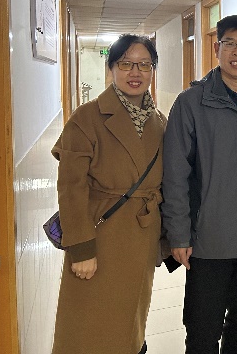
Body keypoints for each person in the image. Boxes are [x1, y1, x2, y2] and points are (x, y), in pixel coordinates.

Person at [161, 15, 237, 354]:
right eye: (230, 43)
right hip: (208, 242)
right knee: (202, 332)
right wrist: (178, 234)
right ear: (217, 48)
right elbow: (175, 174)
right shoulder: (191, 103)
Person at [51, 34, 166, 354]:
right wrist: (81, 249)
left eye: (145, 65)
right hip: (99, 236)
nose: (136, 72)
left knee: (130, 317)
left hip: (142, 235)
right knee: (90, 323)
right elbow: (71, 188)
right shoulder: (86, 117)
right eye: (126, 64)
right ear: (111, 68)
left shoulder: (159, 120)